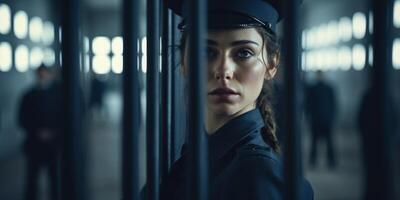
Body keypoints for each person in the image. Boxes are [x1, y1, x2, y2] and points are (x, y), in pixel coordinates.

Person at [159, 0, 314, 199]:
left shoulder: (256, 174)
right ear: (184, 62)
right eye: (206, 51)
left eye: (244, 53)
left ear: (272, 64)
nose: (223, 70)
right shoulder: (203, 154)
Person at [18, 65, 62, 200]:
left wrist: (53, 132)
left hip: (52, 145)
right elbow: (21, 119)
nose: (42, 77)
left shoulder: (57, 96)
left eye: (45, 75)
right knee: (32, 179)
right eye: (40, 75)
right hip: (35, 144)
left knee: (54, 178)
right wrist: (37, 131)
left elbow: (63, 118)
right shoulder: (28, 95)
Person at [305, 70, 337, 169]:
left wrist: (332, 117)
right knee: (315, 142)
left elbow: (333, 104)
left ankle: (330, 161)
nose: (319, 77)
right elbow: (309, 104)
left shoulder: (327, 88)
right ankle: (315, 161)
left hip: (324, 119)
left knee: (328, 142)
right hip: (318, 119)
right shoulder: (315, 89)